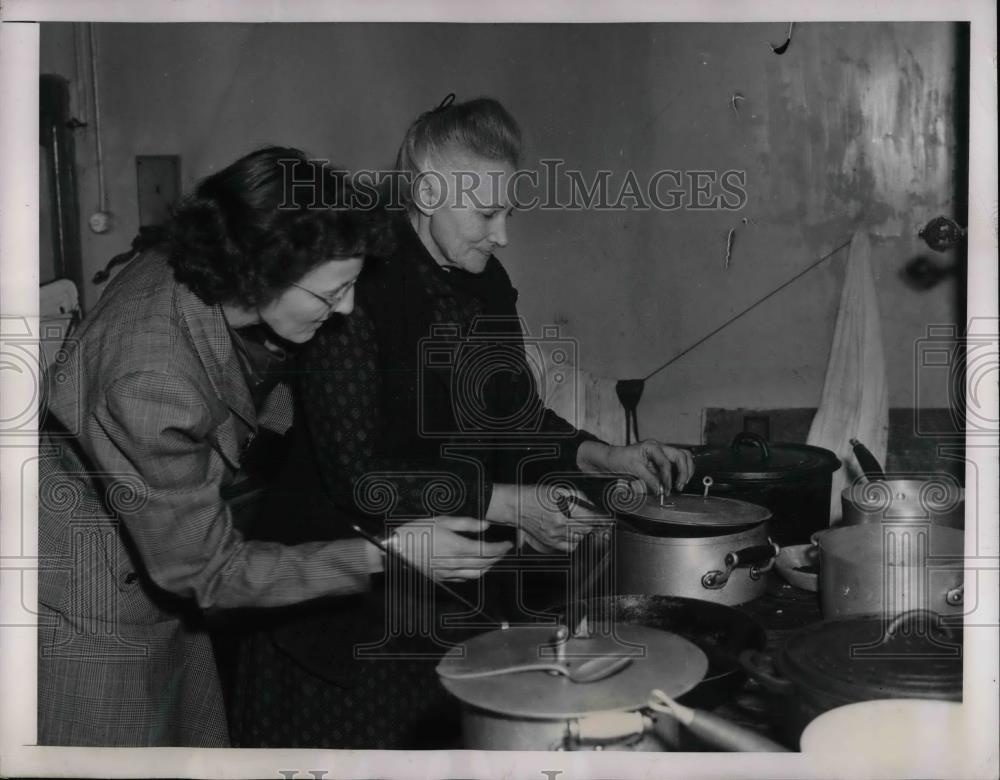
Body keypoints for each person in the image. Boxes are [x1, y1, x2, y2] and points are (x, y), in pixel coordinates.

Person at [228, 98, 694, 749]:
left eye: (508, 212)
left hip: (441, 586)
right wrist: (508, 502)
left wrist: (602, 457)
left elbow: (514, 414)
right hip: (338, 611)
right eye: (486, 213)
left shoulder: (486, 283)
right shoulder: (359, 283)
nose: (502, 235)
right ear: (425, 193)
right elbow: (361, 479)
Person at [36, 146, 510, 747]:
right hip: (95, 611)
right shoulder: (152, 384)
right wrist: (389, 553)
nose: (346, 310)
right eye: (329, 294)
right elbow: (209, 571)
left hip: (159, 575)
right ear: (261, 274)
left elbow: (244, 388)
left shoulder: (204, 272)